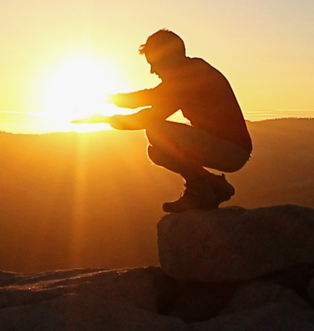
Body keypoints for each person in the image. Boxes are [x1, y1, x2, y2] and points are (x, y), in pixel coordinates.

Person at [78, 29, 253, 212]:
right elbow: (153, 103)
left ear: (170, 57)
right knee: (157, 152)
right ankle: (210, 187)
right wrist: (110, 107)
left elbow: (150, 111)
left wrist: (108, 109)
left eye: (154, 63)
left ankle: (206, 188)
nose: (152, 71)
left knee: (157, 130)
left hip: (231, 149)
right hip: (228, 148)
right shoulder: (189, 74)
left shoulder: (192, 74)